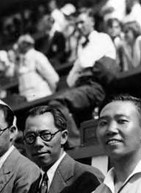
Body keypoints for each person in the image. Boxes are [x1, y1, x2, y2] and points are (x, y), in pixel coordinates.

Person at [49, 9, 117, 148]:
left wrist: (80, 66)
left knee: (58, 103)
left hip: (95, 86)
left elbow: (85, 62)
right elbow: (70, 79)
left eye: (82, 22)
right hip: (82, 86)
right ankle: (83, 146)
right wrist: (80, 66)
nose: (79, 27)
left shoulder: (101, 38)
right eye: (77, 24)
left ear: (92, 21)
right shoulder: (81, 46)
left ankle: (74, 144)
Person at [15, 35, 59, 102]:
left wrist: (50, 94)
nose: (19, 47)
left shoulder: (37, 56)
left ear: (26, 44)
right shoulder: (20, 61)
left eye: (20, 44)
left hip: (42, 97)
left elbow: (53, 78)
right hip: (28, 100)